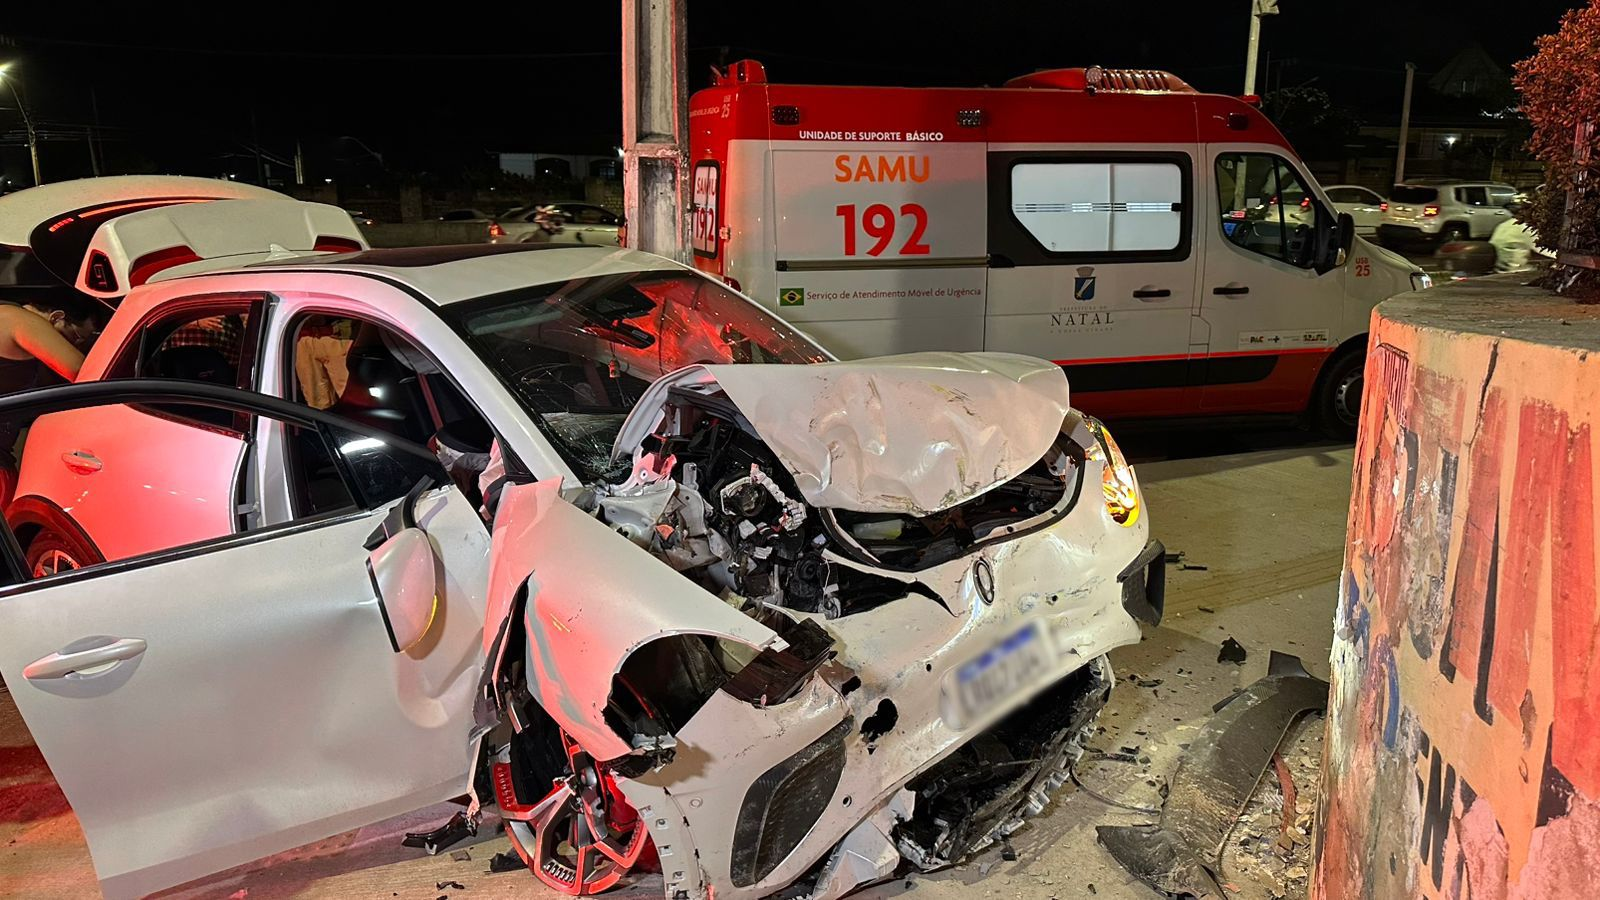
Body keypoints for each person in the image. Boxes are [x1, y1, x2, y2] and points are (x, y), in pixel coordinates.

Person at [0, 301, 99, 507]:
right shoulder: (18, 320)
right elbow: (85, 373)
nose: (74, 346)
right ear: (57, 317)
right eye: (76, 337)